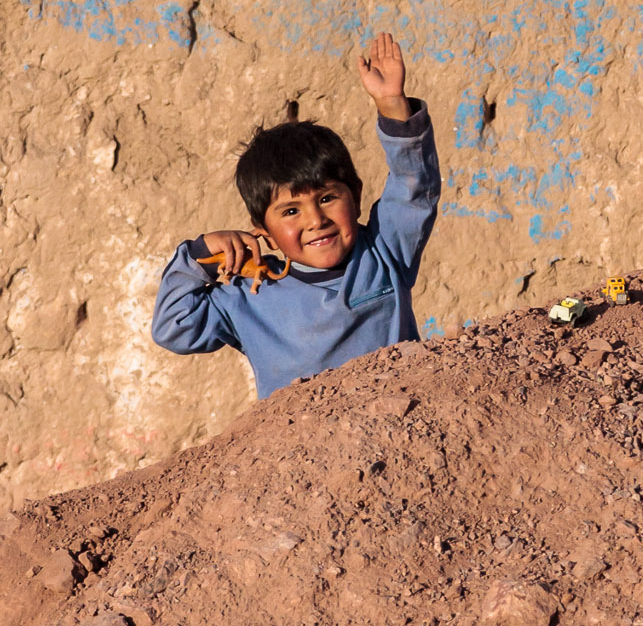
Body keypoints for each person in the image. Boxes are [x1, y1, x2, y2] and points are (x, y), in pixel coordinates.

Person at [151, 32, 439, 399]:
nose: (315, 220)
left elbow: (414, 187)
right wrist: (199, 255)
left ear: (357, 197)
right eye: (290, 210)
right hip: (303, 453)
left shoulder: (384, 254)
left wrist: (392, 104)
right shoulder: (252, 295)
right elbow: (174, 328)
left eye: (328, 198)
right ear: (264, 233)